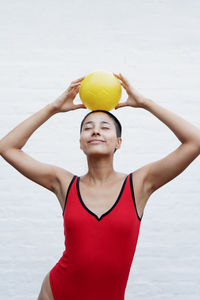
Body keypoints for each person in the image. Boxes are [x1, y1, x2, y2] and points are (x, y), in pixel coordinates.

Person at [0, 73, 200, 300]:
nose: (95, 131)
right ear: (81, 143)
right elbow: (7, 147)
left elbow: (194, 141)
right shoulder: (64, 183)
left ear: (118, 142)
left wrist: (145, 103)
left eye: (105, 127)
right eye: (88, 127)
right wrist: (54, 107)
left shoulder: (139, 185)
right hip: (57, 292)